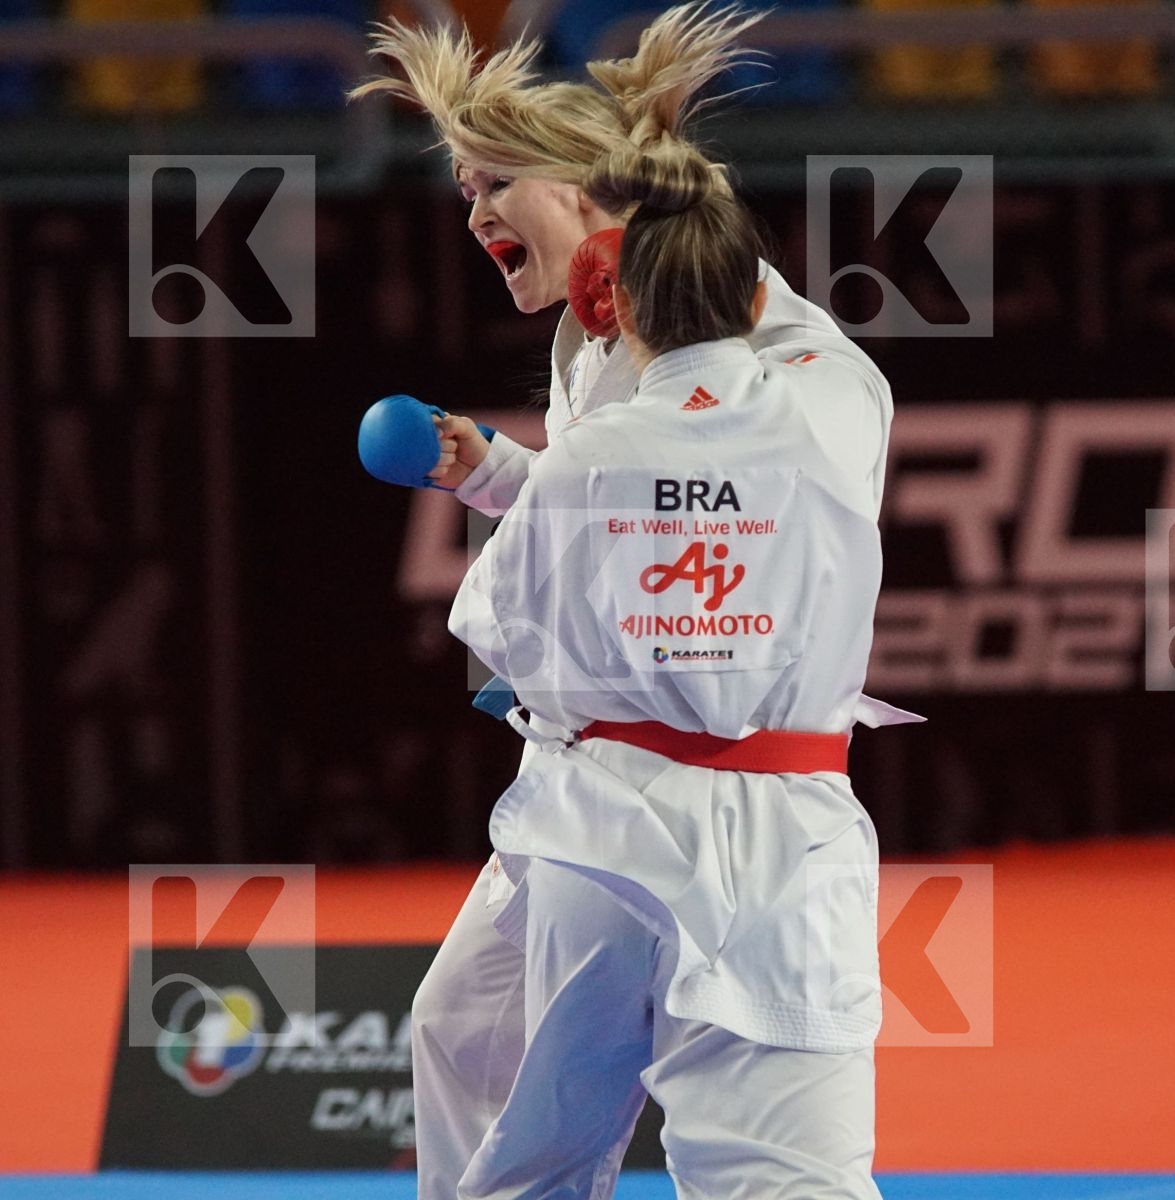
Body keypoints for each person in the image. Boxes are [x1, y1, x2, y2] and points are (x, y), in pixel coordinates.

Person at [352, 9, 918, 1198]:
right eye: (464, 190)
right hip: (588, 794)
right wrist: (496, 471)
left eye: (498, 182)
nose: (475, 215)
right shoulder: (592, 343)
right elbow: (623, 504)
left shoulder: (808, 379)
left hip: (728, 805)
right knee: (465, 1038)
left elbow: (693, 507)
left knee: (762, 1167)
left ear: (602, 205)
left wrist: (557, 628)